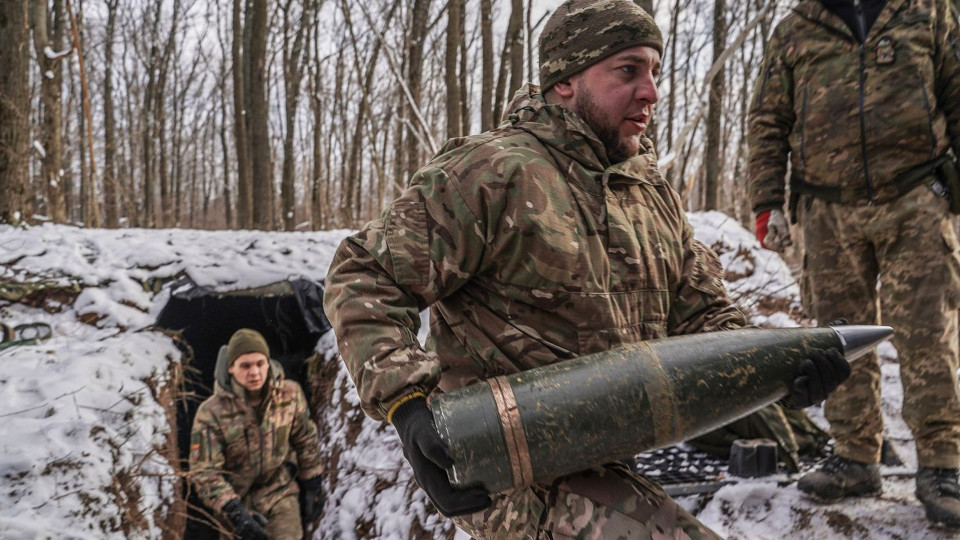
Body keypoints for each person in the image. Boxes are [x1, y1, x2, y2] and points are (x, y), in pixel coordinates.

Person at [324, 0, 850, 537]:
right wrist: (408, 407)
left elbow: (704, 318)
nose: (651, 92)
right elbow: (364, 274)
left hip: (608, 455)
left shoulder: (646, 191)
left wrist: (775, 376)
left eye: (655, 72)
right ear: (565, 81)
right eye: (628, 70)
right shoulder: (494, 173)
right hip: (509, 468)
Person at [747, 0, 960, 528]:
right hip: (826, 206)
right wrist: (766, 201)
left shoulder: (930, 12)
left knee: (928, 332)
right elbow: (768, 120)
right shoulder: (795, 29)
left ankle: (943, 464)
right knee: (839, 337)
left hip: (915, 193)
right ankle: (855, 455)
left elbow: (957, 95)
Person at [190, 328, 325, 540]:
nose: (255, 372)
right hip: (235, 502)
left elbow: (305, 438)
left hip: (280, 493)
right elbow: (204, 471)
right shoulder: (211, 412)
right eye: (245, 365)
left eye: (260, 363)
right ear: (231, 368)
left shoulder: (289, 394)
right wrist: (233, 510)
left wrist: (313, 483)